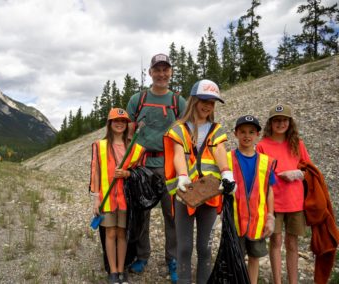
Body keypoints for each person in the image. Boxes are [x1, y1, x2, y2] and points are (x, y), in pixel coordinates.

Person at [163, 79, 236, 284]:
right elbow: (178, 154)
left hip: (210, 195)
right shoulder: (179, 128)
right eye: (204, 100)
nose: (207, 106)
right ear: (194, 100)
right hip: (185, 194)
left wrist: (226, 173)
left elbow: (219, 151)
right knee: (184, 247)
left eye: (212, 102)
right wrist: (183, 175)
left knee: (205, 247)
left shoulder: (216, 129)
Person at [126, 53, 186, 282]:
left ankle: (172, 258)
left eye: (165, 69)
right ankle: (142, 255)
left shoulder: (178, 101)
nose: (161, 74)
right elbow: (127, 130)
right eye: (157, 69)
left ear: (170, 72)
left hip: (170, 166)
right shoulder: (137, 99)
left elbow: (187, 133)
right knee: (141, 213)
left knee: (172, 215)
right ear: (150, 72)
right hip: (142, 166)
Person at [256, 104, 310, 284]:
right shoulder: (262, 145)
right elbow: (259, 173)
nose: (281, 123)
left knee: (293, 243)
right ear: (270, 123)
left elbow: (308, 169)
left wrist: (299, 173)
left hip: (295, 201)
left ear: (290, 122)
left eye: (284, 120)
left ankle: (293, 281)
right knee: (276, 242)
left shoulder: (298, 144)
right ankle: (278, 281)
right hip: (274, 202)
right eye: (277, 120)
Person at [89, 108, 144, 284]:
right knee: (110, 233)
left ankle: (122, 269)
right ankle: (112, 271)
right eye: (115, 121)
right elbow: (95, 173)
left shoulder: (136, 149)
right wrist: (95, 198)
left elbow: (141, 174)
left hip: (126, 200)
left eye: (123, 121)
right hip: (107, 199)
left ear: (128, 124)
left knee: (122, 233)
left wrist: (127, 174)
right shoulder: (99, 146)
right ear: (110, 124)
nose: (119, 124)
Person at [228, 115, 276, 284]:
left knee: (254, 257)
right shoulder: (227, 158)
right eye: (242, 132)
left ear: (257, 135)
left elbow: (269, 190)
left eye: (251, 132)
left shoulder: (266, 162)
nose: (246, 136)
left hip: (258, 221)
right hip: (235, 220)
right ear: (235, 134)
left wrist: (270, 216)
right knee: (236, 257)